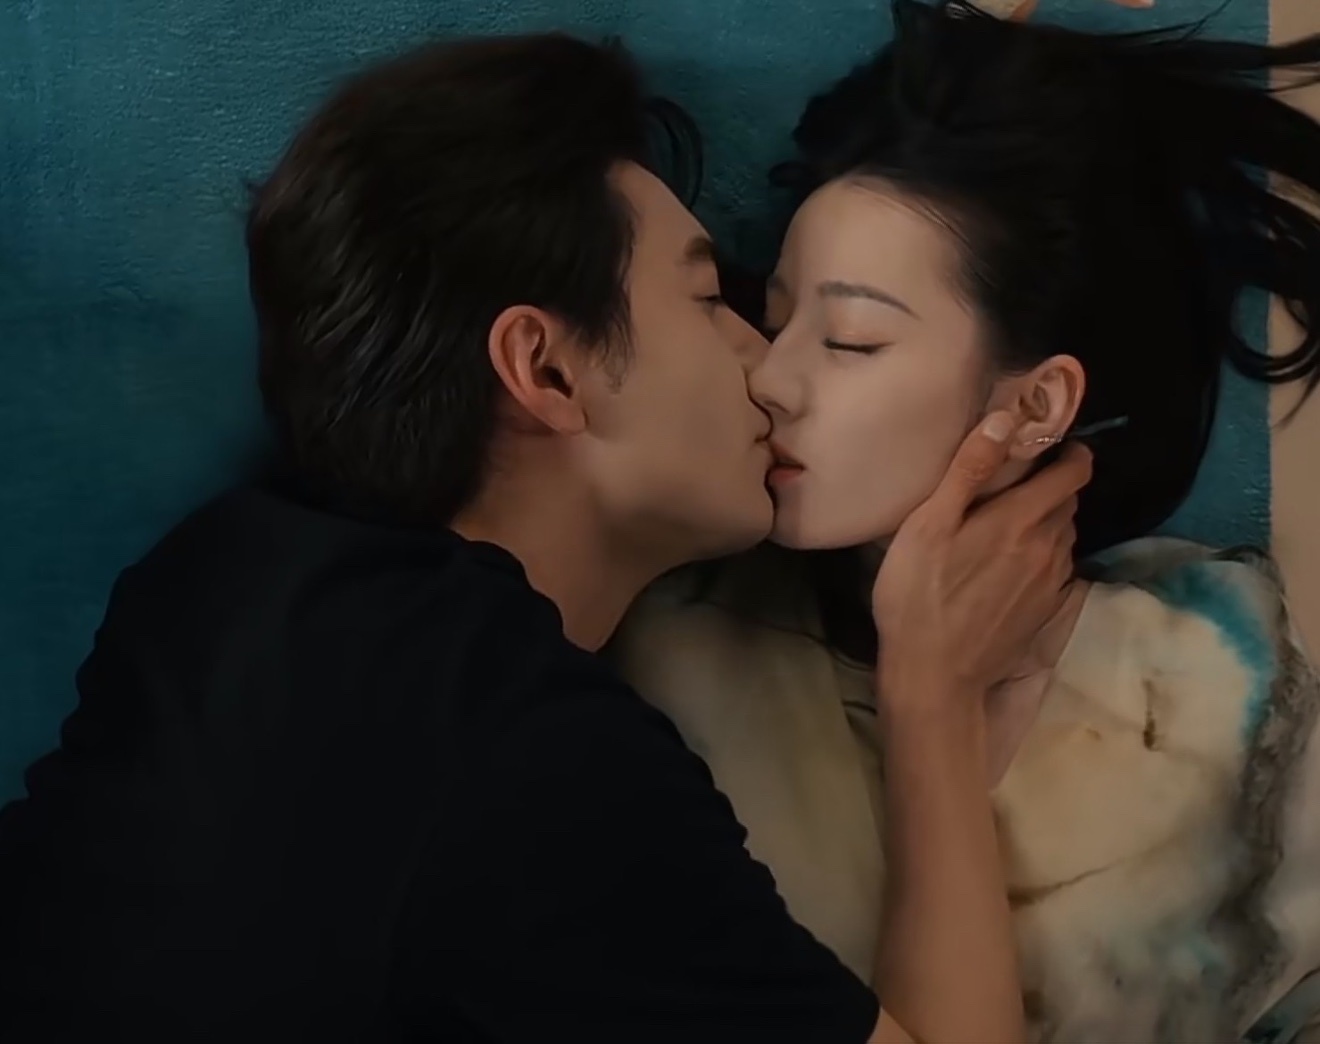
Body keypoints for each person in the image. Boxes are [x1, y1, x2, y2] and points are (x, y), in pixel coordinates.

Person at [0, 29, 1092, 1044]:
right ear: (547, 371)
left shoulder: (227, 568)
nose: (765, 364)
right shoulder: (530, 755)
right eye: (710, 301)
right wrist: (932, 698)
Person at [614, 3, 1320, 1041]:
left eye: (851, 341)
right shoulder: (676, 650)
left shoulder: (1219, 689)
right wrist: (927, 702)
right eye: (774, 319)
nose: (771, 377)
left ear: (1036, 404)